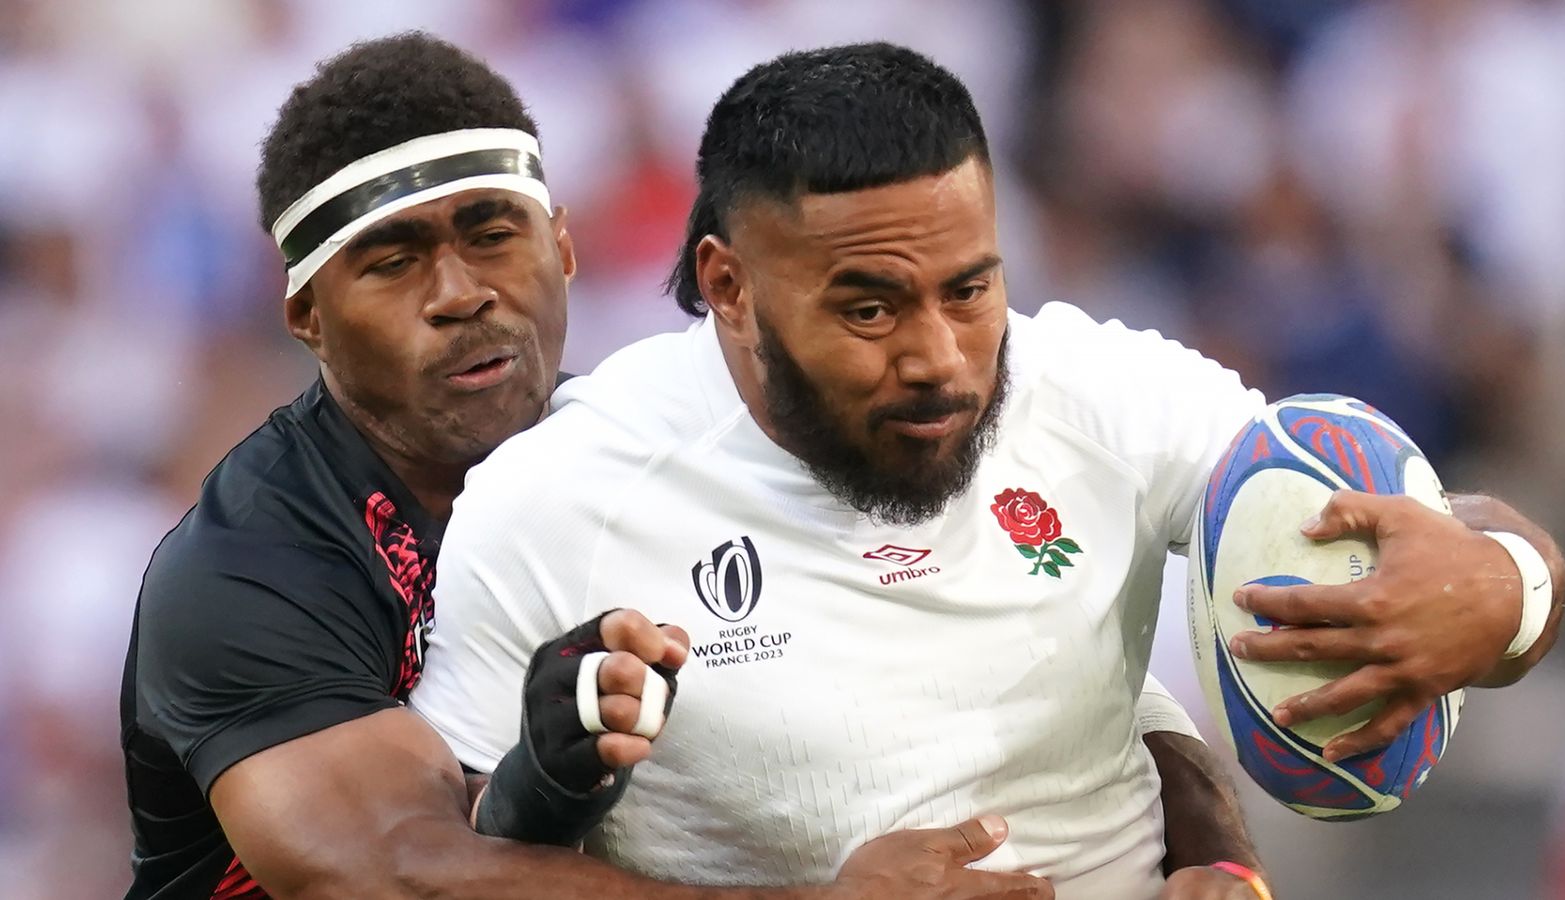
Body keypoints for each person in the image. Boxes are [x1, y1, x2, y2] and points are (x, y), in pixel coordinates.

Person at [409, 41, 1565, 900]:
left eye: (969, 288)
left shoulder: (1094, 390)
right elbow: (447, 870)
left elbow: (1359, 502)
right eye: (867, 308)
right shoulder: (556, 498)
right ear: (728, 287)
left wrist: (1502, 582)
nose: (936, 358)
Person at [120, 32, 1260, 900]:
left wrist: (1203, 832)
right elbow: (394, 870)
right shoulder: (248, 569)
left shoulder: (643, 457)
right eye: (394, 260)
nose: (461, 291)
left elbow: (1008, 643)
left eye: (491, 233)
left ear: (564, 246)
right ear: (307, 315)